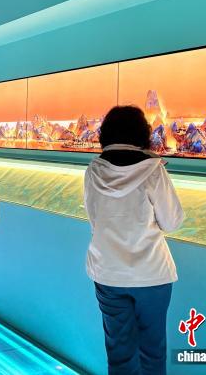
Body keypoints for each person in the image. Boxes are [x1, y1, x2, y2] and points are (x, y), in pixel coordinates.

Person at [83, 105, 184, 375]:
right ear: (143, 133)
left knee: (119, 352)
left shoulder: (93, 170)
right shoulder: (153, 170)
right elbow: (172, 222)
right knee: (152, 352)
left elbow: (95, 221)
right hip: (152, 274)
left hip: (107, 272)